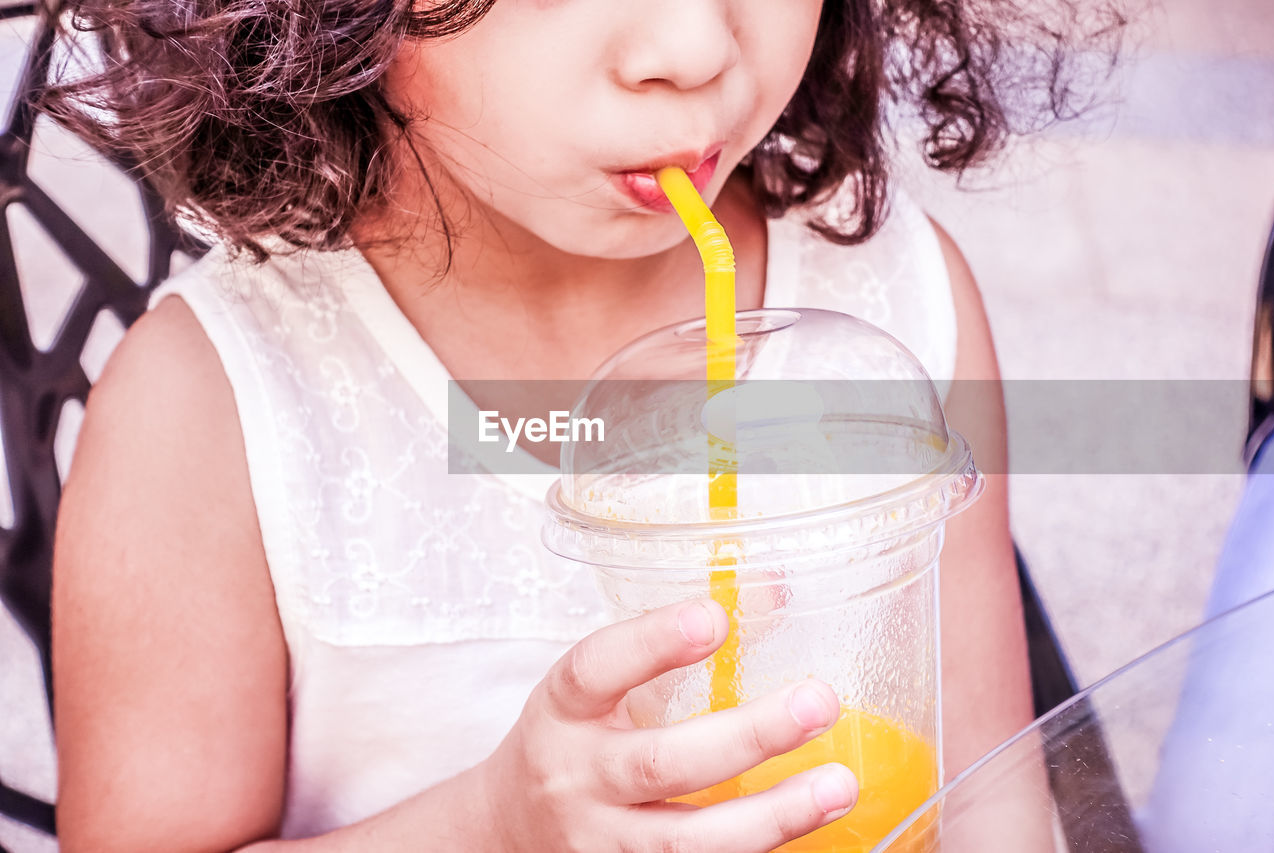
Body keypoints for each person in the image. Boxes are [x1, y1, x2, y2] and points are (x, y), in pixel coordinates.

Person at [39, 0, 1122, 849]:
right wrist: (491, 826)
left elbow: (991, 793)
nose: (692, 46)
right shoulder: (208, 411)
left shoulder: (897, 302)